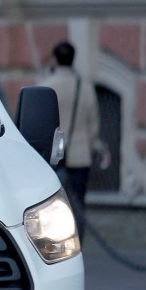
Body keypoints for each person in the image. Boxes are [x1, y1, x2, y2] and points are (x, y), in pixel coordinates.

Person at [39, 40, 108, 222]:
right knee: (77, 203)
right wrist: (92, 144)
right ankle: (78, 240)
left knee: (51, 204)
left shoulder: (47, 85)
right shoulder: (85, 87)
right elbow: (93, 124)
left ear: (54, 59)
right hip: (79, 155)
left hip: (53, 156)